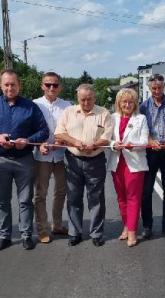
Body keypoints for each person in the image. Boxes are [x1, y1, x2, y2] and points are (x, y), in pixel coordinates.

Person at [0, 69, 49, 251]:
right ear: (1, 85)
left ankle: (26, 235)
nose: (9, 88)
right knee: (2, 200)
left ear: (19, 85)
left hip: (24, 160)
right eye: (6, 84)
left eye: (13, 84)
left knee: (25, 200)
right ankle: (4, 236)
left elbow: (43, 130)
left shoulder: (30, 107)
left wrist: (28, 140)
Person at [54, 84, 113, 247]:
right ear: (77, 98)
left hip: (96, 160)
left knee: (96, 198)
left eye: (89, 99)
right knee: (73, 198)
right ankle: (75, 233)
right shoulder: (68, 112)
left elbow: (107, 136)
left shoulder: (104, 113)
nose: (86, 102)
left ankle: (96, 233)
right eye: (83, 99)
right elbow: (59, 133)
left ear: (95, 98)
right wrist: (75, 142)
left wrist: (94, 144)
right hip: (72, 159)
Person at [33, 72, 71, 244]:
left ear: (60, 87)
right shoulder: (34, 105)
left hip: (61, 154)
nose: (51, 88)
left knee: (61, 191)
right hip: (42, 155)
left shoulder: (67, 106)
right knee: (41, 194)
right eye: (48, 84)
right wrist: (38, 144)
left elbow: (71, 129)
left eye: (55, 85)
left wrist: (62, 140)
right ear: (42, 86)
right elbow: (30, 130)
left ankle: (57, 224)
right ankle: (42, 229)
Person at [108, 88, 149, 247]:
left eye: (130, 102)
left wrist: (134, 146)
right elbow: (108, 139)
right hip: (117, 163)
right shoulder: (113, 118)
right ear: (119, 103)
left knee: (133, 198)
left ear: (135, 103)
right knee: (121, 198)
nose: (127, 104)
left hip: (134, 164)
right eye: (124, 101)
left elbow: (145, 141)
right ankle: (126, 225)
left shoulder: (141, 118)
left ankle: (132, 232)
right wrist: (113, 145)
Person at [139, 74, 165, 239]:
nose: (156, 91)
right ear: (149, 88)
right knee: (146, 191)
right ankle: (147, 226)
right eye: (153, 88)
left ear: (164, 86)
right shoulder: (143, 107)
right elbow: (142, 128)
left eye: (159, 88)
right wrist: (150, 140)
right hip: (150, 151)